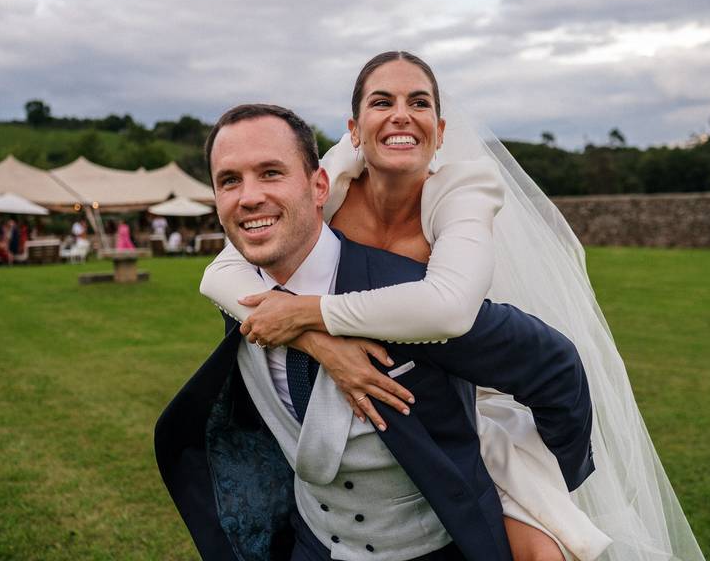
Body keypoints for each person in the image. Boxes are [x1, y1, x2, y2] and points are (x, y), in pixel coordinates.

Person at [200, 53, 704, 561]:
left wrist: (545, 483)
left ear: (441, 132)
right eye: (382, 101)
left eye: (418, 102)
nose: (400, 114)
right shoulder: (291, 226)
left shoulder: (462, 192)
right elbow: (220, 274)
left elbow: (458, 315)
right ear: (353, 130)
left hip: (460, 405)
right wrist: (313, 336)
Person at [155, 104, 595, 561]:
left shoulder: (410, 293)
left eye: (270, 173)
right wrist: (314, 339)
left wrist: (543, 486)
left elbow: (554, 367)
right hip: (311, 545)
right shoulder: (241, 291)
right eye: (230, 180)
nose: (248, 197)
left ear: (319, 185)